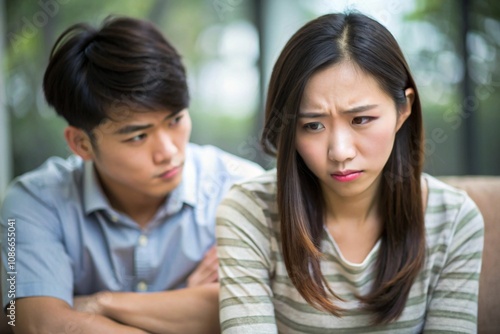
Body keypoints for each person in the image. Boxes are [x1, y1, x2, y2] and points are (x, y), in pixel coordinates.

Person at [216, 12, 484, 333]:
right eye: (313, 125)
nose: (340, 151)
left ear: (403, 109)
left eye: (360, 120)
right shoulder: (250, 211)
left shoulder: (453, 220)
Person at [0, 16, 263, 333]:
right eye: (138, 136)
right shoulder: (33, 202)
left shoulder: (242, 189)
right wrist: (182, 304)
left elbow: (257, 314)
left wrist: (94, 304)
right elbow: (34, 324)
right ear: (81, 144)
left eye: (176, 120)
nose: (168, 151)